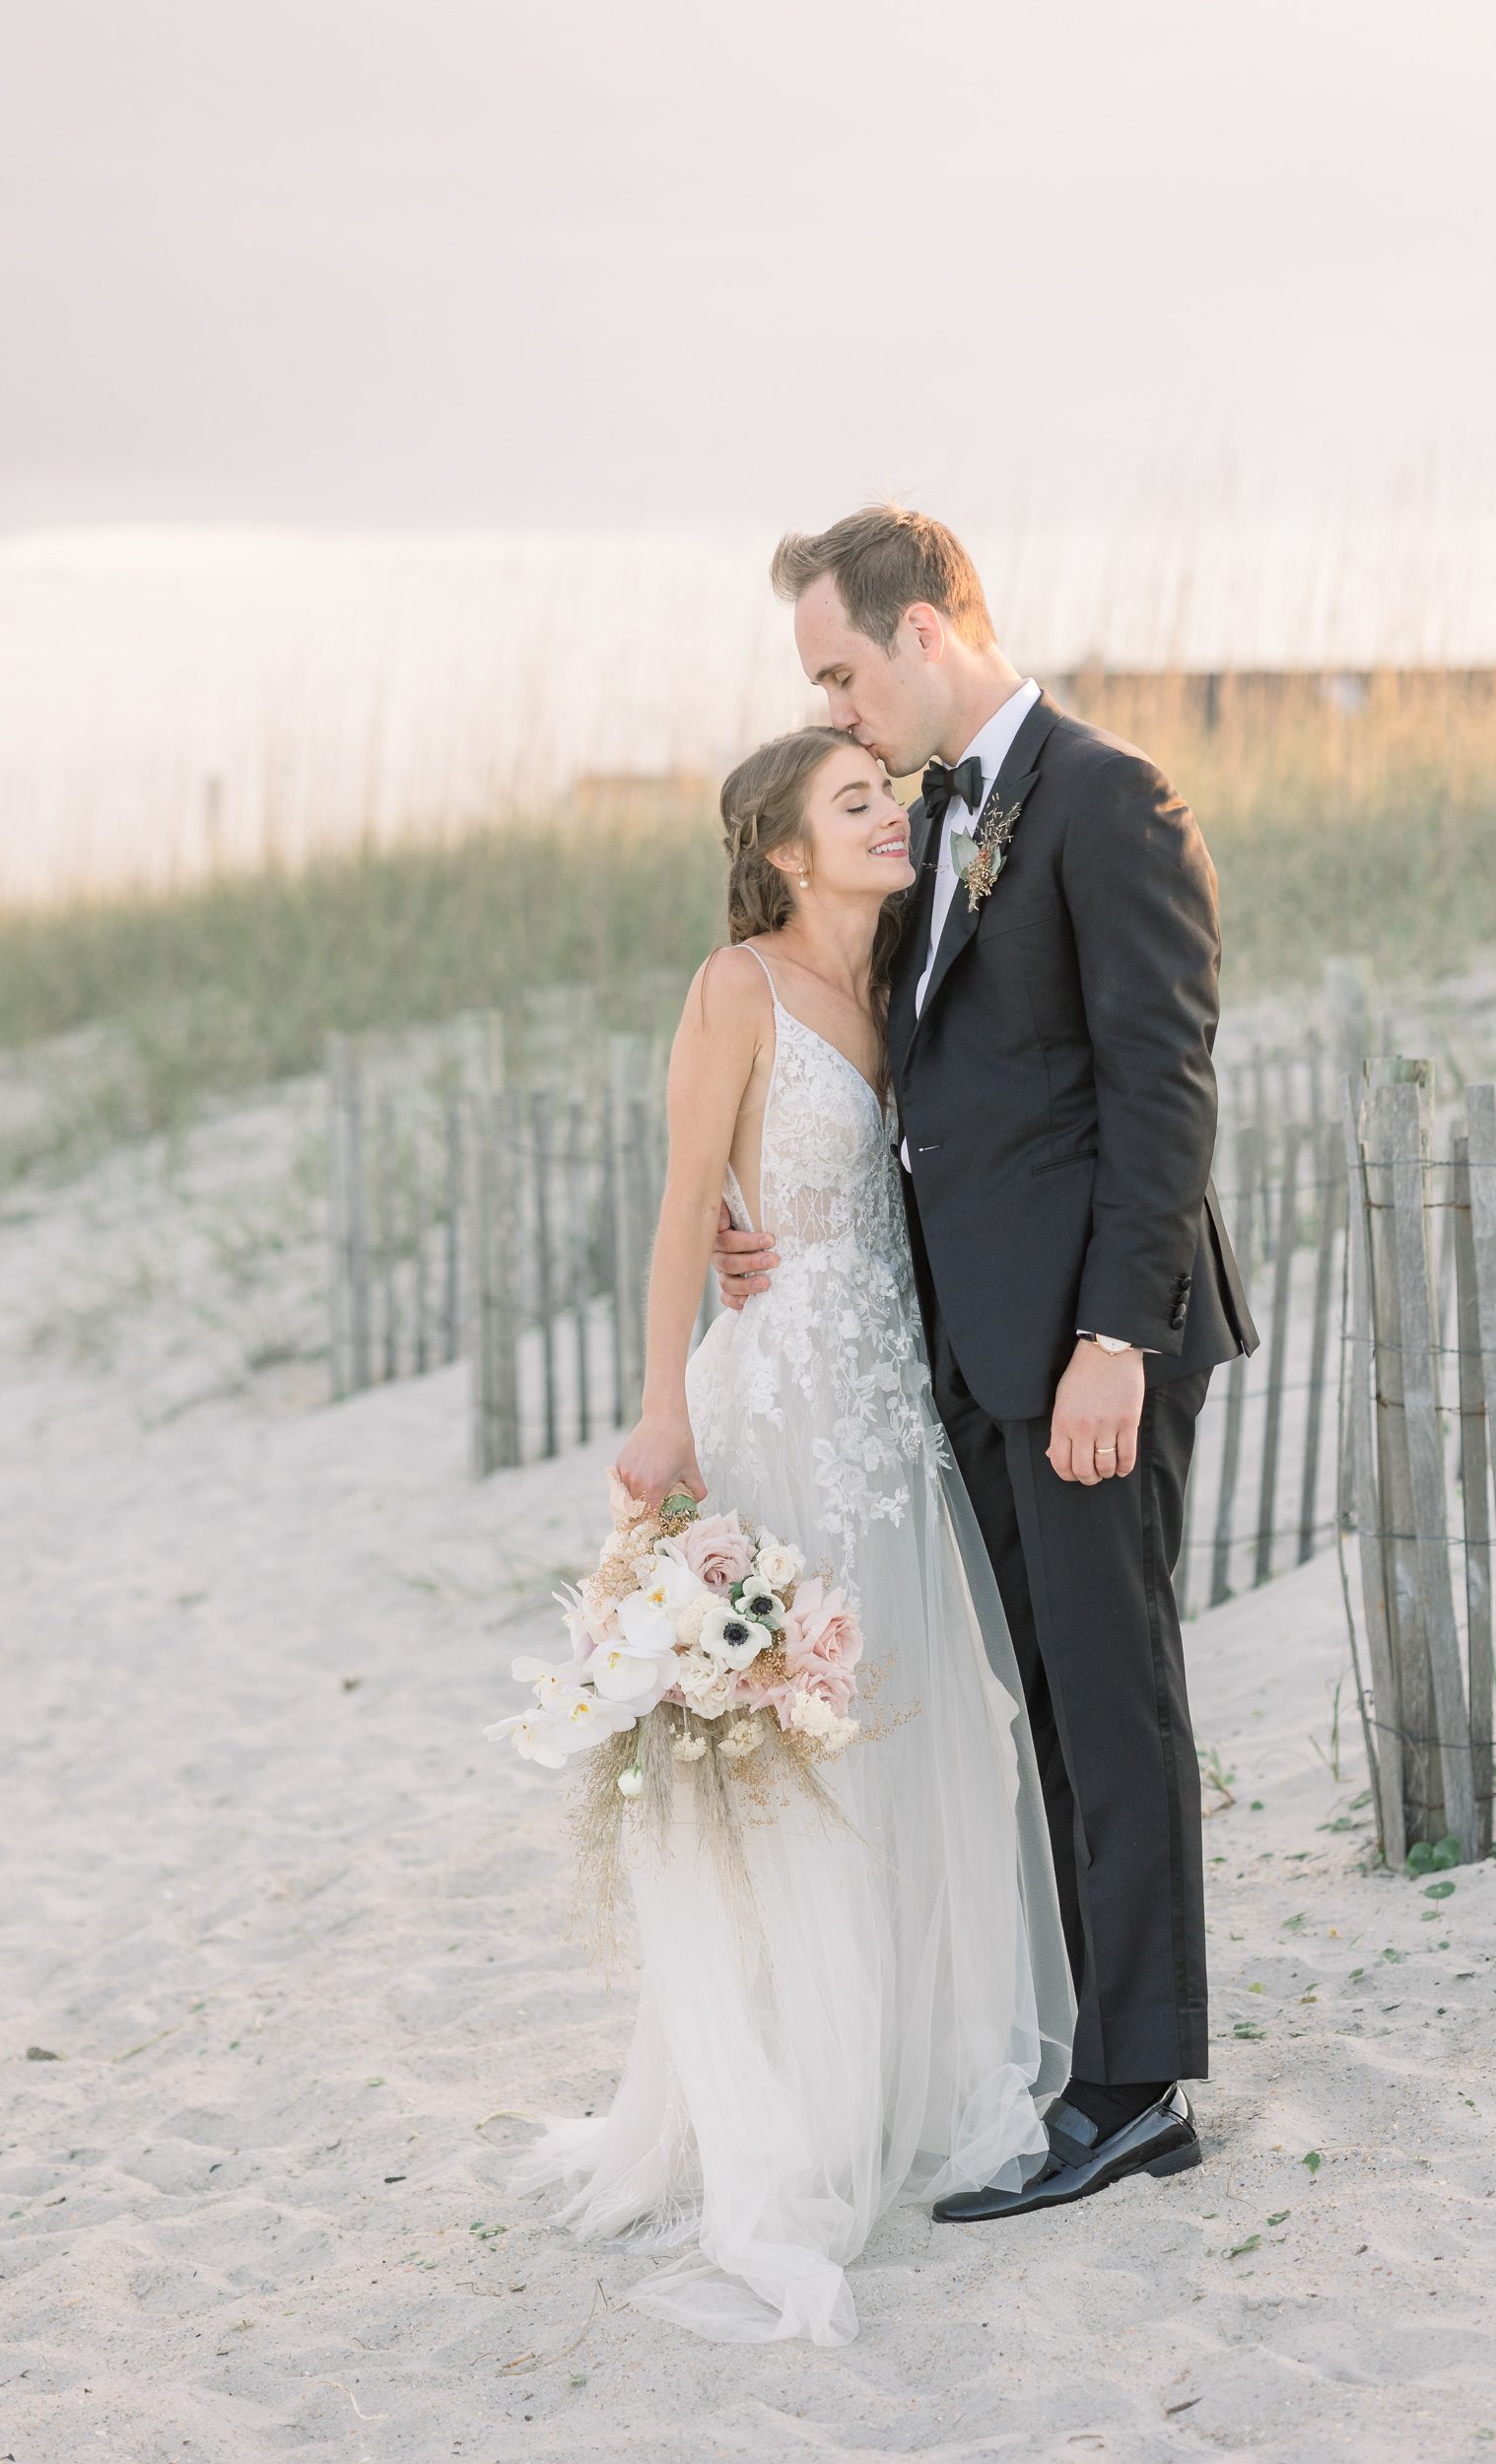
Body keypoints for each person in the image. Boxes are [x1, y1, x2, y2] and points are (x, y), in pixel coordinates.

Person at [713, 506, 1258, 2226]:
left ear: (928, 632)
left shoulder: (1108, 799)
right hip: (978, 1345)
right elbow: (918, 1088)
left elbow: (1162, 1088)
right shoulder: (943, 817)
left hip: (1095, 1344)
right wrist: (783, 1233)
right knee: (1045, 1702)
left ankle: (1141, 2084)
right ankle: (1091, 2039)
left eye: (844, 671)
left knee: (1113, 1690)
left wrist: (1117, 1337)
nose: (841, 711)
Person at [510, 724, 1080, 2346]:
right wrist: (659, 1417)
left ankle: (926, 2067)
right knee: (805, 1747)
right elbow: (688, 1202)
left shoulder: (906, 979)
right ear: (781, 848)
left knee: (921, 1718)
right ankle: (802, 2104)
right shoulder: (736, 988)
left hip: (899, 1409)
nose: (891, 814)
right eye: (856, 803)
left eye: (887, 793)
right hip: (777, 1403)